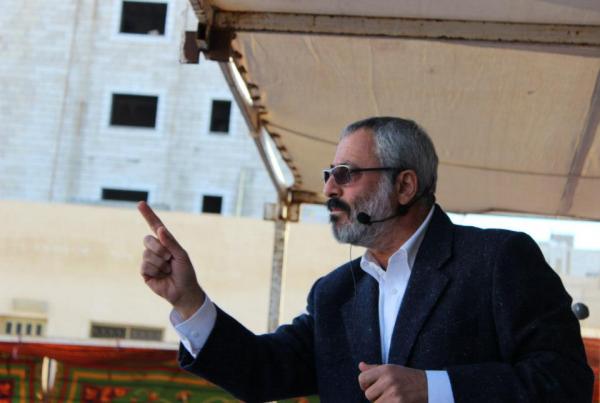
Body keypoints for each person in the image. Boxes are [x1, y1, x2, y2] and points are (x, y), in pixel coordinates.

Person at [139, 117, 593, 403]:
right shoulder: (336, 293)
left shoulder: (497, 260)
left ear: (405, 186)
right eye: (329, 175)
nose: (329, 189)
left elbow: (565, 382)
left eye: (346, 174)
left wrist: (435, 388)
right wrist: (189, 301)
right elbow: (261, 372)